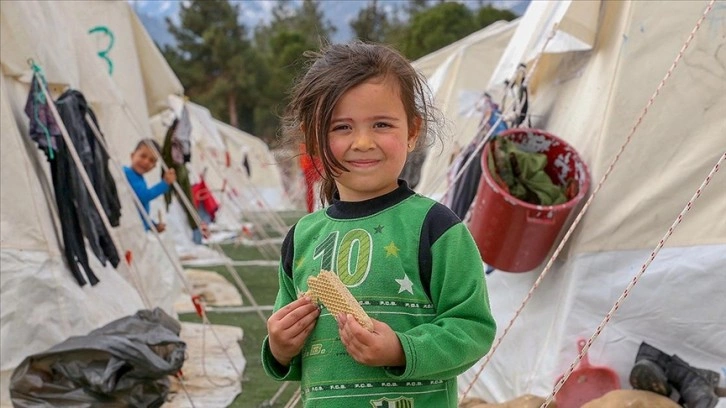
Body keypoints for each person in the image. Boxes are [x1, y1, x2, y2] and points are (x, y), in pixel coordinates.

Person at [262, 41, 496, 407]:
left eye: (382, 124)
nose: (363, 142)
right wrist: (279, 346)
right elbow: (295, 353)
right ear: (313, 137)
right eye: (341, 127)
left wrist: (401, 349)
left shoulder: (436, 228)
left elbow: (473, 329)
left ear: (412, 130)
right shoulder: (303, 237)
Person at [124, 139, 176, 232]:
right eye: (143, 156)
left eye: (152, 160)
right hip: (129, 229)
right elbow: (143, 197)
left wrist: (153, 226)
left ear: (154, 166)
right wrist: (164, 184)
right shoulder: (126, 173)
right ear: (132, 156)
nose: (146, 162)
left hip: (137, 228)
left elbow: (140, 210)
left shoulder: (140, 179)